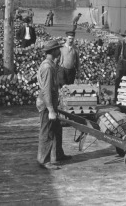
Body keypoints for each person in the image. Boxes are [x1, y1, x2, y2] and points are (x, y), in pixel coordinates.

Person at [36, 39, 71, 169]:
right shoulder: (47, 67)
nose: (59, 51)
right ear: (53, 51)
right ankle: (43, 160)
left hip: (51, 102)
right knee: (47, 131)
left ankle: (58, 154)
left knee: (57, 129)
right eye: (58, 49)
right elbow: (46, 91)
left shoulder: (51, 64)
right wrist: (51, 110)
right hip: (46, 104)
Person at [114, 31, 126, 102]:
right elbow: (116, 55)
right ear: (124, 37)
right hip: (121, 63)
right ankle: (116, 98)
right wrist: (118, 64)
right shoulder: (120, 44)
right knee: (118, 81)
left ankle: (124, 98)